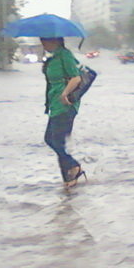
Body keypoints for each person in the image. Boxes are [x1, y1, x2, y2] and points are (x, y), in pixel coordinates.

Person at [40, 37, 85, 186]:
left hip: (66, 105)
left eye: (44, 41)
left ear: (55, 41)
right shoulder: (53, 58)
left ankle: (72, 171)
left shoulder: (65, 55)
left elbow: (76, 78)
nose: (43, 44)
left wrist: (65, 93)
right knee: (51, 139)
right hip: (55, 104)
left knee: (57, 141)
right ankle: (70, 175)